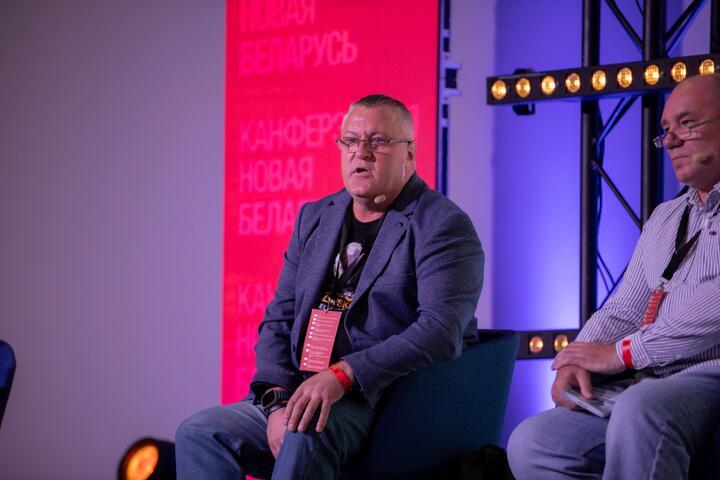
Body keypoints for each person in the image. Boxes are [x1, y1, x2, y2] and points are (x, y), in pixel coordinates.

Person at [175, 94, 484, 479]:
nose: (362, 153)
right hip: (300, 391)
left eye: (379, 141)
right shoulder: (316, 217)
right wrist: (275, 403)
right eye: (351, 141)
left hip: (379, 396)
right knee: (201, 432)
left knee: (306, 426)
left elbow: (440, 331)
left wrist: (343, 375)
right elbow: (279, 318)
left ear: (410, 153)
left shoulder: (440, 224)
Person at [507, 73, 720, 479]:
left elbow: (713, 311)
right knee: (534, 441)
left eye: (687, 124)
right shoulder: (667, 216)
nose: (671, 141)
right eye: (666, 130)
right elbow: (625, 306)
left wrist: (621, 354)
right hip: (651, 376)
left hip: (708, 371)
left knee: (642, 409)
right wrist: (578, 356)